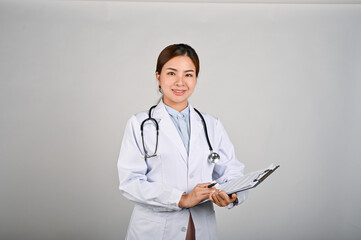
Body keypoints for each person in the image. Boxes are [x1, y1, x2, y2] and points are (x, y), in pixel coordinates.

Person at [117, 43, 247, 240]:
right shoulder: (140, 124)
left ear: (195, 79)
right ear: (158, 76)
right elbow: (130, 182)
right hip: (154, 230)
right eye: (171, 73)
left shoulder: (211, 125)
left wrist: (231, 195)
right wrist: (182, 199)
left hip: (201, 227)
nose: (180, 82)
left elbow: (233, 172)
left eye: (188, 74)